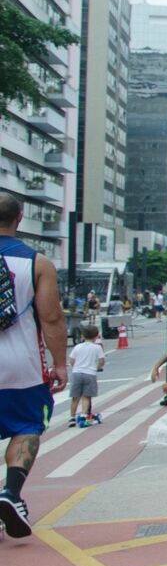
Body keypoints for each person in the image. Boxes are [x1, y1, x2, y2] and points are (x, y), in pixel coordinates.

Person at [0, 192, 68, 538]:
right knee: (27, 426)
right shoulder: (37, 263)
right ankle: (10, 492)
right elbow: (52, 318)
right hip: (21, 366)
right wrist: (60, 364)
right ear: (20, 218)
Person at [67, 324, 106, 428]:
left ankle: (72, 418)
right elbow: (101, 361)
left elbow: (71, 360)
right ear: (96, 336)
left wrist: (75, 366)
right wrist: (97, 367)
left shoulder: (77, 347)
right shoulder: (97, 348)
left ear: (82, 336)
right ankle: (84, 416)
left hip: (77, 373)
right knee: (86, 397)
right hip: (90, 374)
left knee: (75, 397)